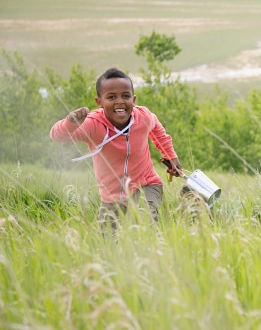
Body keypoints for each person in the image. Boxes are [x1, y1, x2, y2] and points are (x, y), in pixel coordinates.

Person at [50, 67, 182, 233]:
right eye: (111, 97)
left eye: (125, 96)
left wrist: (171, 156)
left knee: (147, 222)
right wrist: (70, 122)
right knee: (108, 240)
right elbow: (57, 135)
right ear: (99, 102)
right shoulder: (93, 125)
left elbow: (158, 131)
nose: (120, 101)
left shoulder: (143, 116)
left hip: (146, 183)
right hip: (112, 195)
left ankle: (152, 254)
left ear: (133, 99)